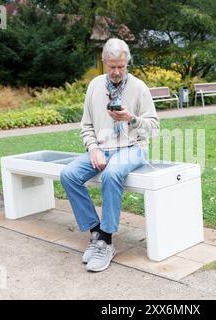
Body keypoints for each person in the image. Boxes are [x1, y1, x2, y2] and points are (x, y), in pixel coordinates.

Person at [60, 38, 160, 272]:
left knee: (112, 173)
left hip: (133, 149)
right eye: (112, 66)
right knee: (68, 175)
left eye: (121, 67)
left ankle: (106, 241)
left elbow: (154, 127)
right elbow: (86, 125)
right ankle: (97, 231)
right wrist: (93, 148)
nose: (117, 72)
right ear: (104, 62)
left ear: (127, 63)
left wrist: (130, 119)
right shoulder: (95, 86)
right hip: (102, 148)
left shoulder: (139, 87)